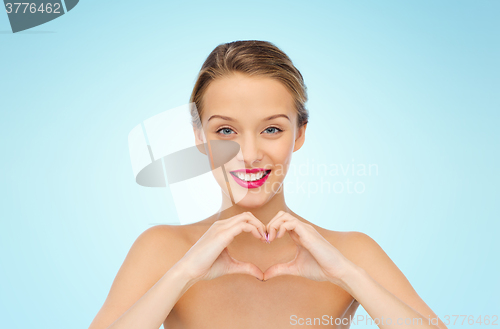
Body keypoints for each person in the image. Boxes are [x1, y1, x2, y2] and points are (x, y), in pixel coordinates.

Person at [88, 40, 448, 329]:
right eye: (225, 131)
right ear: (200, 137)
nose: (248, 153)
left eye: (272, 129)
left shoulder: (350, 253)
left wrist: (348, 276)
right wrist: (183, 274)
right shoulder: (163, 250)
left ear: (299, 134)